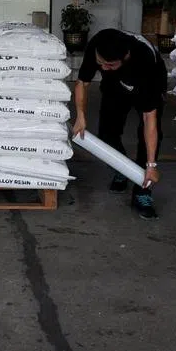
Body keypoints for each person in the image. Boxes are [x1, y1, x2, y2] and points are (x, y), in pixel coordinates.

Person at [71, 28, 166, 220]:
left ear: (126, 57)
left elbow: (150, 120)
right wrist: (81, 116)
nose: (103, 68)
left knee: (146, 138)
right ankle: (121, 169)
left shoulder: (145, 64)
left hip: (147, 83)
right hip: (115, 86)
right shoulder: (98, 45)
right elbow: (82, 82)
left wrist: (151, 164)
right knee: (107, 132)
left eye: (110, 65)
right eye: (100, 64)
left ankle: (142, 193)